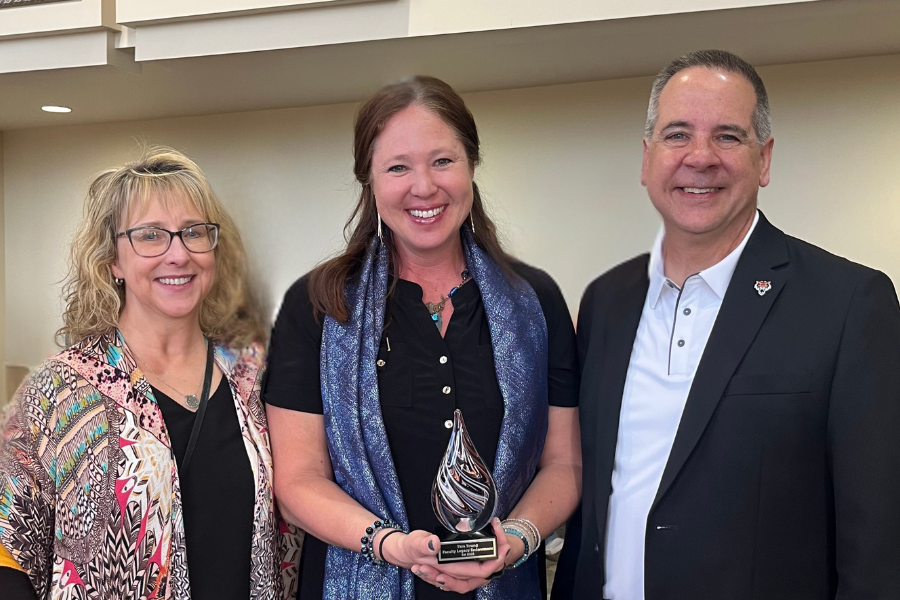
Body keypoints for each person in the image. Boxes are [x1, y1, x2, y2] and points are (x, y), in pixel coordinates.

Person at [552, 49, 900, 600]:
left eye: (728, 136)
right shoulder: (605, 303)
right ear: (647, 160)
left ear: (764, 160)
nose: (700, 157)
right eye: (677, 135)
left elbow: (878, 544)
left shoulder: (850, 303)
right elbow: (595, 509)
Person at [264, 76, 582, 599]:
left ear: (471, 166)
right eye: (398, 167)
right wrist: (389, 545)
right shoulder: (320, 304)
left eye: (443, 161)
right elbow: (298, 482)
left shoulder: (536, 302)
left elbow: (564, 463)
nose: (425, 187)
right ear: (369, 179)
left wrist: (519, 539)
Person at [0, 148, 302, 600]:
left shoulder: (254, 379)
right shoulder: (57, 393)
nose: (177, 254)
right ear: (112, 262)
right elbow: (9, 548)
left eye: (193, 233)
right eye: (150, 235)